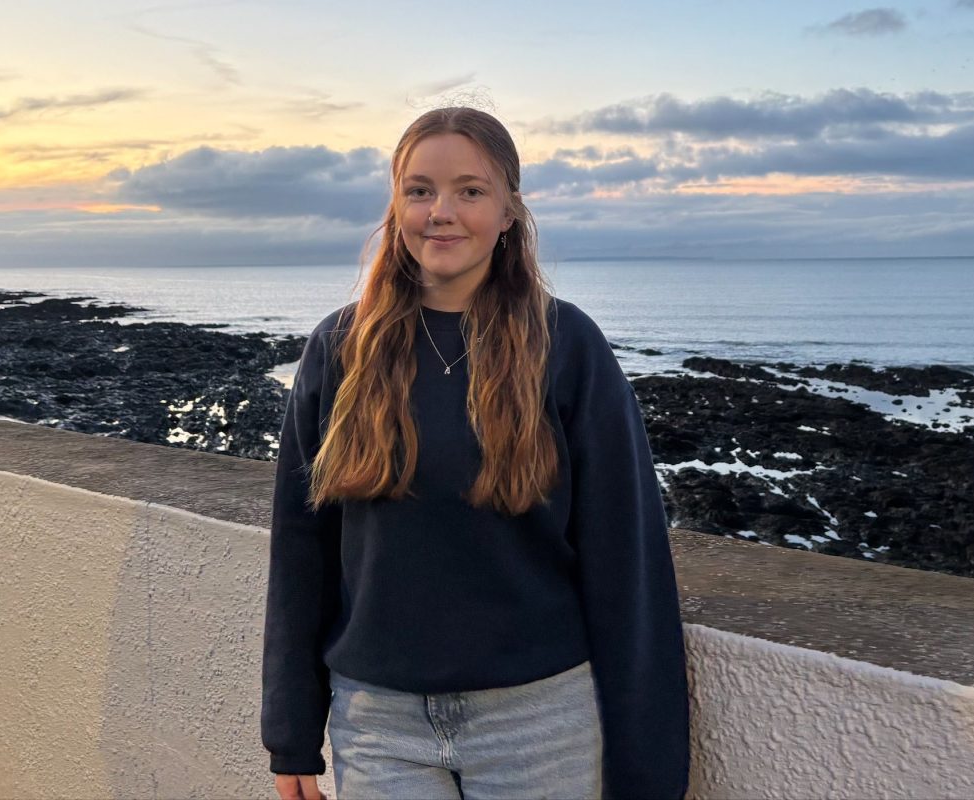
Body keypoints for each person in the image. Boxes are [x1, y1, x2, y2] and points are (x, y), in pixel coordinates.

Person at [261, 106, 689, 800]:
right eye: (420, 190)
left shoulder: (566, 346)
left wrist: (649, 771)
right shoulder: (341, 349)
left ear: (509, 209)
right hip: (377, 725)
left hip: (539, 722)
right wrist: (291, 733)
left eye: (470, 190)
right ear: (396, 205)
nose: (442, 212)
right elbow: (300, 549)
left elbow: (626, 559)